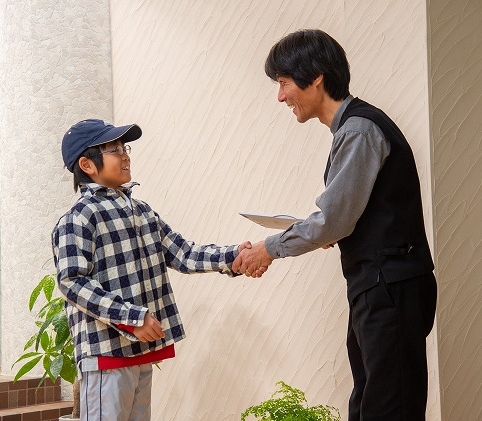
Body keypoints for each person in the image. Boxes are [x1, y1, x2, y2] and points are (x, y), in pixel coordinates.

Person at [233, 29, 437, 421]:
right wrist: (333, 230)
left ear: (316, 78)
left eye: (284, 82)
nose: (280, 96)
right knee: (368, 405)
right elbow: (348, 218)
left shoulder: (359, 130)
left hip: (388, 288)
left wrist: (269, 247)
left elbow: (335, 219)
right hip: (378, 288)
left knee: (387, 409)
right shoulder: (350, 130)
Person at [52, 119, 255, 421]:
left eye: (125, 147)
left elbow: (184, 254)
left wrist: (234, 255)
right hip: (105, 355)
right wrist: (133, 318)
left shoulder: (141, 211)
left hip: (139, 352)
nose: (125, 155)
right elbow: (72, 283)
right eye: (114, 149)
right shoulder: (78, 218)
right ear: (87, 164)